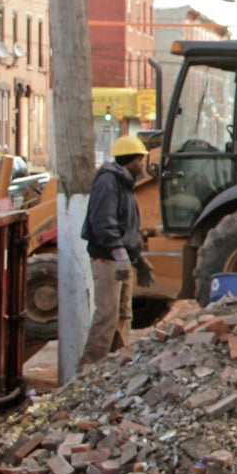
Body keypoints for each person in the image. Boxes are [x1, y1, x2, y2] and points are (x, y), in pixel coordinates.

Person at [81, 135, 154, 365]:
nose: (142, 164)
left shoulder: (126, 184)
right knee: (107, 316)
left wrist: (137, 258)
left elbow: (127, 228)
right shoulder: (108, 182)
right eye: (140, 160)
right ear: (129, 159)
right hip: (107, 259)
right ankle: (88, 370)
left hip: (122, 259)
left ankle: (115, 367)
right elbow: (103, 223)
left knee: (123, 316)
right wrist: (121, 256)